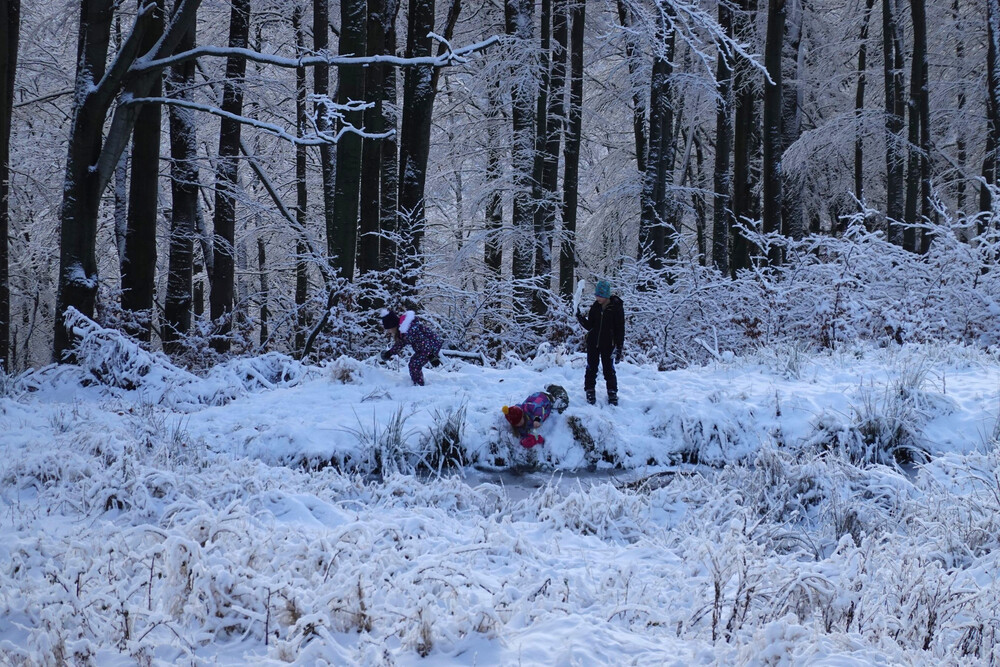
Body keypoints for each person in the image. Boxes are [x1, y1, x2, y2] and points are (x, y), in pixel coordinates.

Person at [576, 280, 625, 405]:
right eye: (596, 295)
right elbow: (590, 326)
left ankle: (612, 391)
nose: (597, 297)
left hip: (608, 344)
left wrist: (619, 347)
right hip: (593, 343)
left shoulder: (616, 308)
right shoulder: (595, 307)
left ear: (606, 296)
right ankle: (590, 389)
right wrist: (580, 318)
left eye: (600, 295)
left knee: (608, 368)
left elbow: (620, 328)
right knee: (591, 367)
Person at [379, 308, 443, 386]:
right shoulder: (403, 330)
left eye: (389, 329)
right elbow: (401, 343)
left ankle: (419, 385)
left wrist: (431, 356)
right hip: (426, 347)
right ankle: (418, 383)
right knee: (414, 363)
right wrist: (390, 353)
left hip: (431, 345)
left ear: (393, 325)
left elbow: (424, 342)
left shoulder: (409, 331)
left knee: (414, 364)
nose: (389, 331)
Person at [501, 384, 568, 448]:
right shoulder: (519, 426)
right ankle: (550, 388)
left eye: (520, 420)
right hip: (535, 398)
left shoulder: (528, 407)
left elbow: (538, 409)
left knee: (563, 402)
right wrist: (533, 440)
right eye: (517, 424)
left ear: (522, 414)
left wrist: (537, 420)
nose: (520, 424)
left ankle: (552, 387)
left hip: (545, 400)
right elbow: (526, 436)